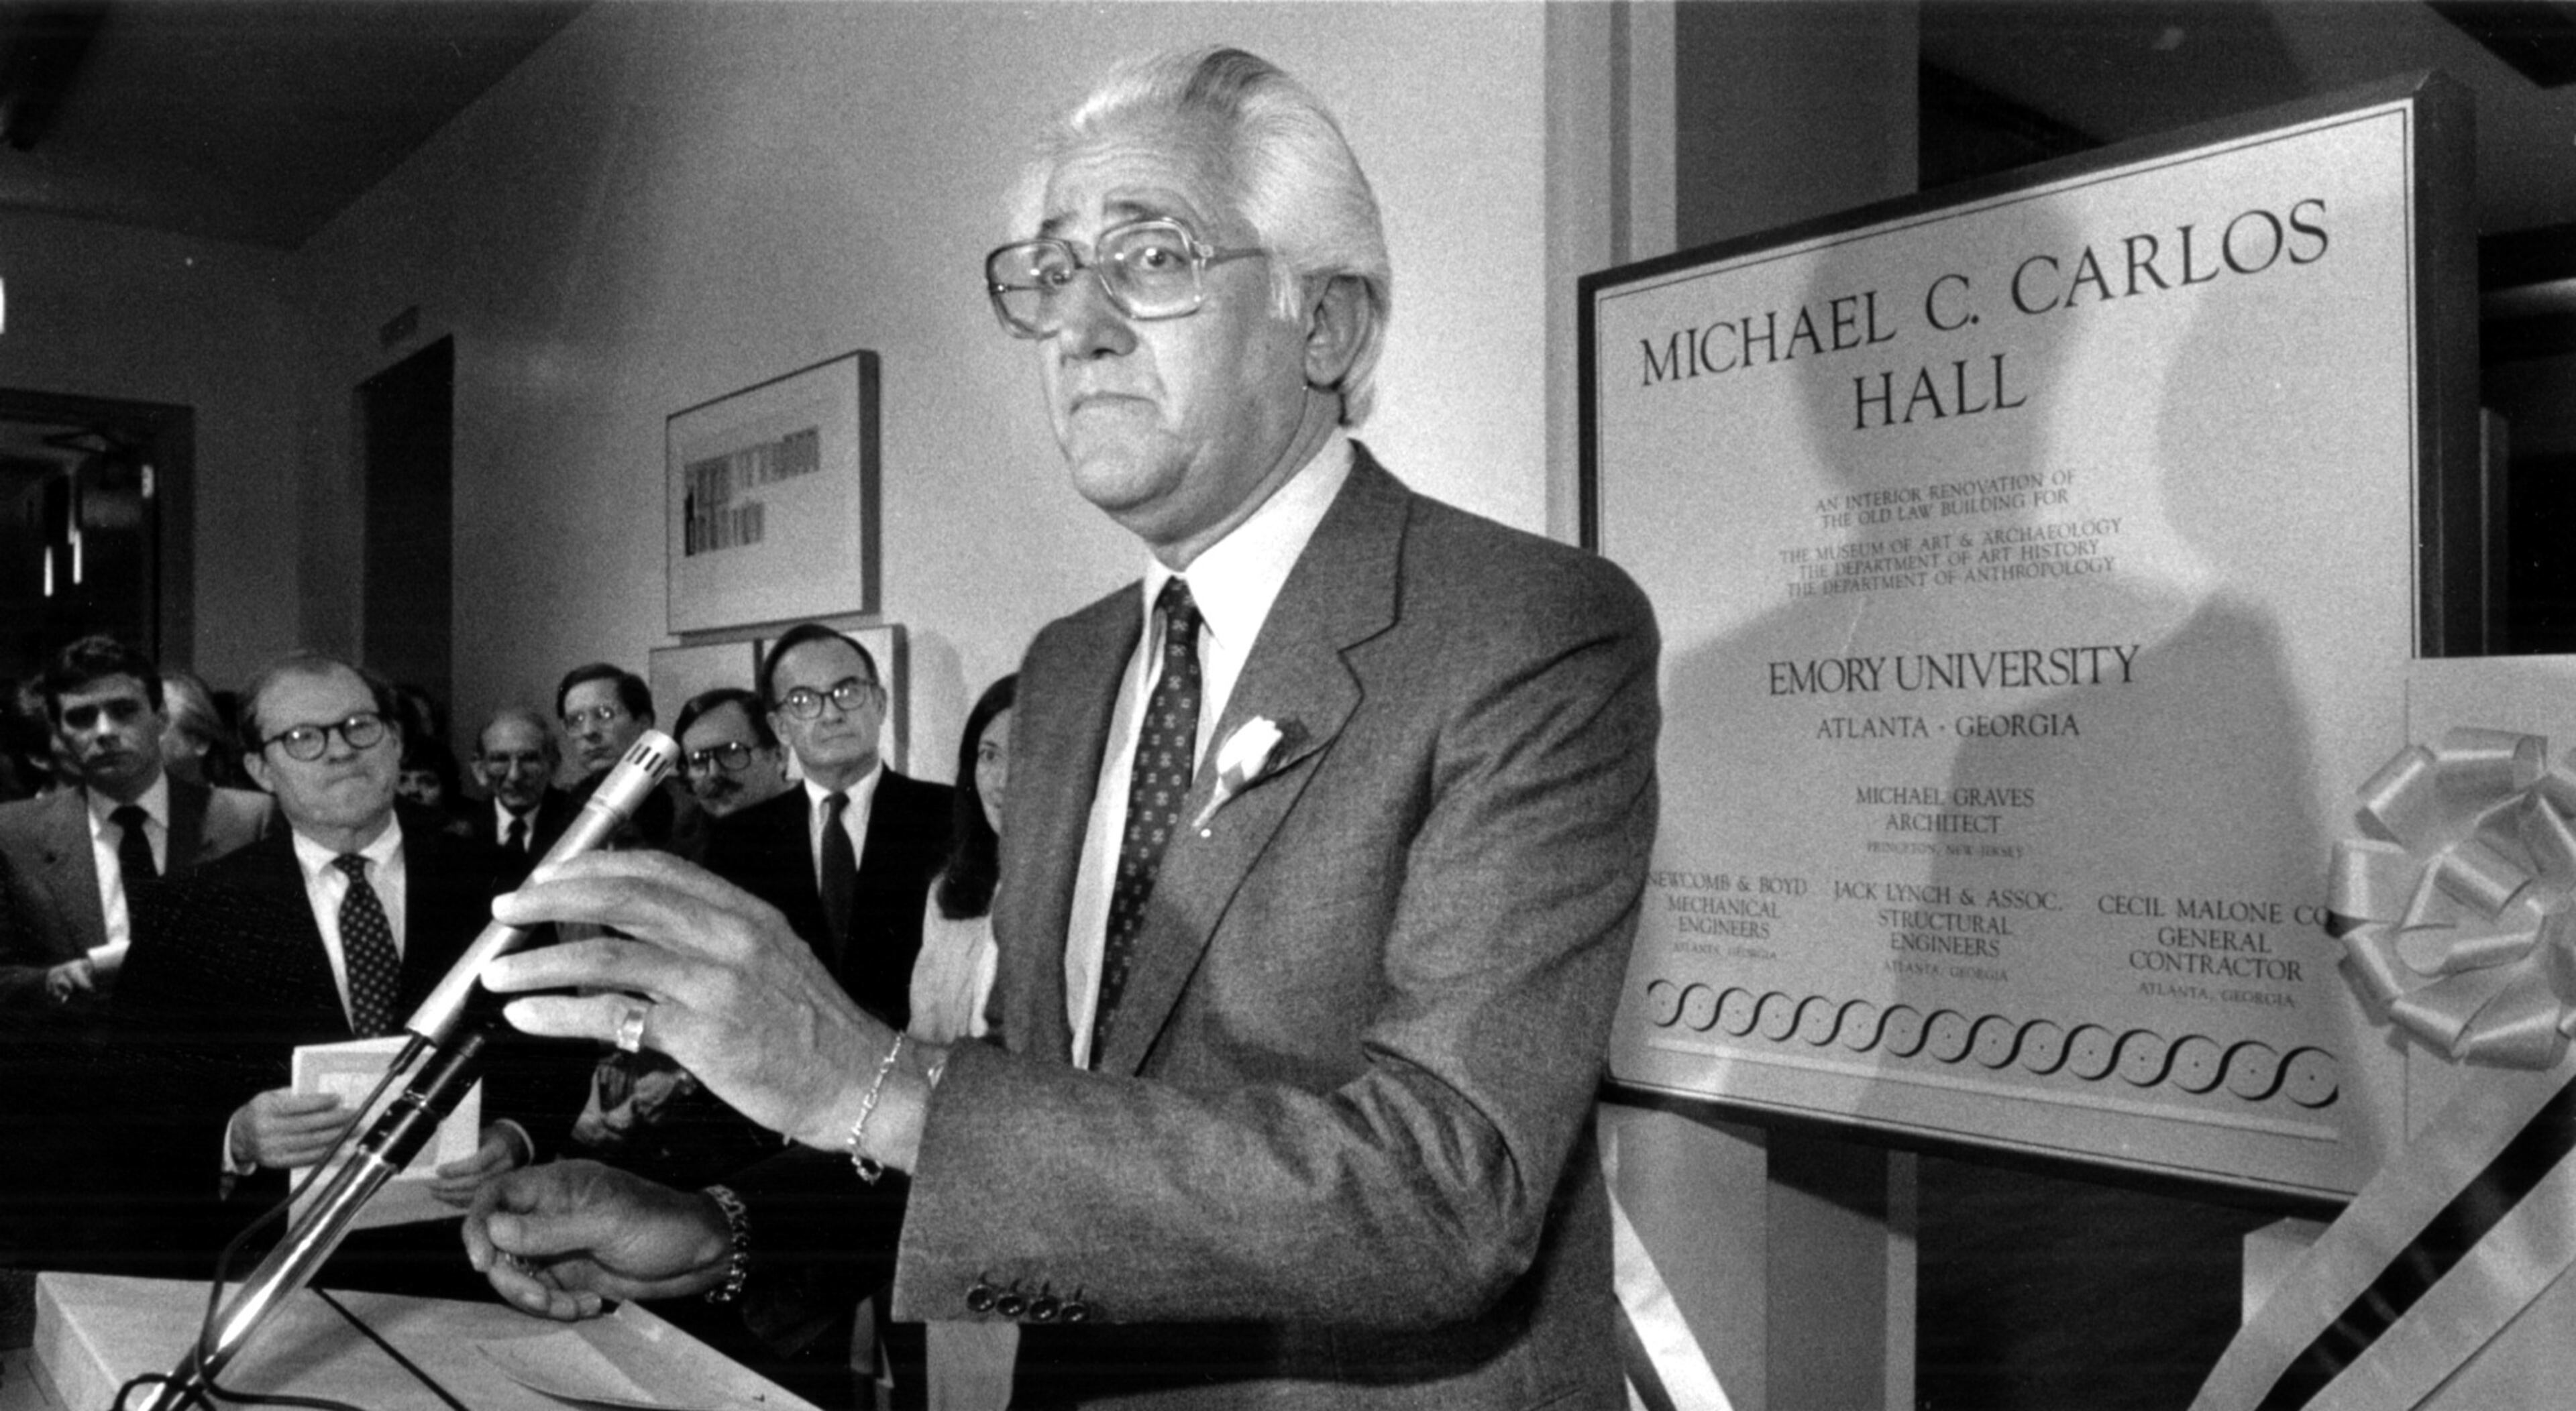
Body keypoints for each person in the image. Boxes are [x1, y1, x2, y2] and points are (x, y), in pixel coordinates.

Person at [465, 46, 1658, 1410]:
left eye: (1151, 258)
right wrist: (729, 1231)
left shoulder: (1527, 627)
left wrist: (864, 1075)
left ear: (1325, 324)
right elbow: (1039, 1109)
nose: (1079, 327)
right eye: (1048, 273)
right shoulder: (1074, 663)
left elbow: (1449, 1192)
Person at [112, 651, 546, 1288]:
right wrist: (236, 1135)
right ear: (261, 767)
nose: (340, 751)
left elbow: (558, 1052)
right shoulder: (190, 911)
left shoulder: (499, 885)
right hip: (274, 1268)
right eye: (303, 739)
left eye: (358, 726)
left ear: (395, 742)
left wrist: (515, 1137)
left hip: (467, 1255)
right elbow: (136, 1092)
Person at [0, 638, 272, 1016]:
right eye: (81, 718)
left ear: (160, 718)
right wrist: (51, 981)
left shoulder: (246, 820)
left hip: (217, 1055)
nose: (104, 731)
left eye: (123, 710)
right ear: (59, 735)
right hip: (80, 1060)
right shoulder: (13, 836)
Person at [702, 624, 953, 1033]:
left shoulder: (949, 817)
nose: (832, 713)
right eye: (803, 700)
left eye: (848, 691)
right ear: (780, 727)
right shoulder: (739, 841)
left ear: (880, 703)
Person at [910, 674, 1012, 1047]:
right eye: (989, 755)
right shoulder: (947, 890)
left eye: (1024, 755)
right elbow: (925, 1034)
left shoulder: (1083, 889)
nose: (1001, 780)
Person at [557, 663, 709, 861]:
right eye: (575, 720)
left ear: (643, 723)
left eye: (604, 714)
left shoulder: (690, 806)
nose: (588, 732)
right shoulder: (569, 803)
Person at [474, 706, 578, 879]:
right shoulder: (461, 831)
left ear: (553, 763)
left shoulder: (578, 824)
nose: (515, 776)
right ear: (480, 768)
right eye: (500, 759)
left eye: (529, 759)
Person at [674, 687, 794, 820]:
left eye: (732, 751)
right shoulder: (683, 837)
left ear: (779, 754)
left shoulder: (815, 829)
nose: (714, 772)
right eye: (698, 760)